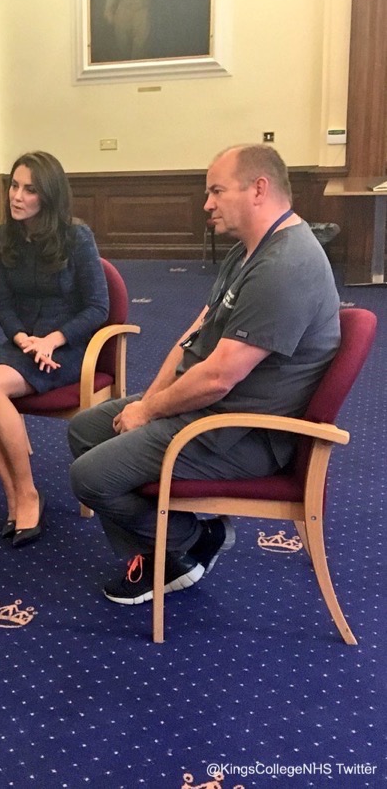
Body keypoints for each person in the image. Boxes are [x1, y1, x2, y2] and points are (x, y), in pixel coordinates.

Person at [68, 144, 340, 605]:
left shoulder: (285, 267)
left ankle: (190, 537)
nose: (206, 204)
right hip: (210, 409)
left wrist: (150, 410)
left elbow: (218, 377)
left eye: (216, 191)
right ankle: (168, 550)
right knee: (86, 429)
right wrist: (145, 404)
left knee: (89, 477)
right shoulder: (250, 251)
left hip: (242, 433)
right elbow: (194, 336)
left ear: (259, 189)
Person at [0, 151, 109, 548]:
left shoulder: (77, 237)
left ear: (49, 197)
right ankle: (12, 490)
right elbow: (3, 305)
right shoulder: (2, 238)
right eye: (14, 186)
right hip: (22, 342)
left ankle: (28, 493)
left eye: (30, 189)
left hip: (67, 346)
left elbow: (98, 307)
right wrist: (22, 339)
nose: (17, 196)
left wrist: (52, 339)